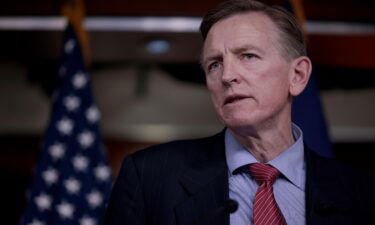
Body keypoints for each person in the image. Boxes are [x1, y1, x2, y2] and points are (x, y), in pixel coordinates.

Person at [104, 0, 375, 224]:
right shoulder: (149, 176)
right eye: (214, 64)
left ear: (298, 75)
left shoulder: (361, 192)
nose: (228, 75)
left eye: (248, 56)